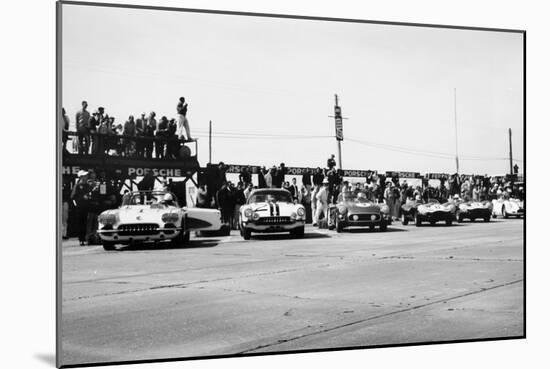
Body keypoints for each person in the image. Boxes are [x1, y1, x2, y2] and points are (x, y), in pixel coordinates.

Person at [71, 170, 91, 246]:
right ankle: (81, 239)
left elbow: (90, 194)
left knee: (85, 223)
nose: (86, 177)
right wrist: (82, 198)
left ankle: (85, 239)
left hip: (86, 207)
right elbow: (73, 197)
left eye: (86, 175)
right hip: (80, 207)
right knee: (80, 223)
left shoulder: (87, 185)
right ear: (81, 177)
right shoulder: (77, 186)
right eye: (85, 176)